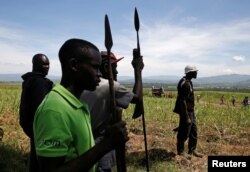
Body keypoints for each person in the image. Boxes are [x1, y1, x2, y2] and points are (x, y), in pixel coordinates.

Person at [33, 38, 129, 172]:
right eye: (95, 67)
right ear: (74, 65)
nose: (100, 74)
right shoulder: (54, 110)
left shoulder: (77, 103)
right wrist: (105, 145)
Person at [80, 50, 143, 172]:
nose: (117, 71)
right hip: (101, 146)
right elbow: (137, 98)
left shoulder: (83, 85)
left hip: (84, 145)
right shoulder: (110, 86)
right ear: (105, 67)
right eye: (114, 67)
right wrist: (138, 71)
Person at [19, 53, 53, 172]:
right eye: (44, 64)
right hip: (40, 128)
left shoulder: (30, 81)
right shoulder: (40, 83)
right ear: (35, 65)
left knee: (35, 156)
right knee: (41, 161)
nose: (47, 67)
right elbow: (43, 110)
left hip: (30, 126)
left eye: (48, 65)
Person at [173, 65, 203, 159]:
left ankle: (192, 150)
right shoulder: (185, 84)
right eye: (195, 71)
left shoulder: (187, 81)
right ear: (190, 72)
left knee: (193, 131)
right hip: (186, 112)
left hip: (190, 111)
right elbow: (183, 101)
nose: (196, 73)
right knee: (184, 132)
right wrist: (186, 117)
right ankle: (181, 151)